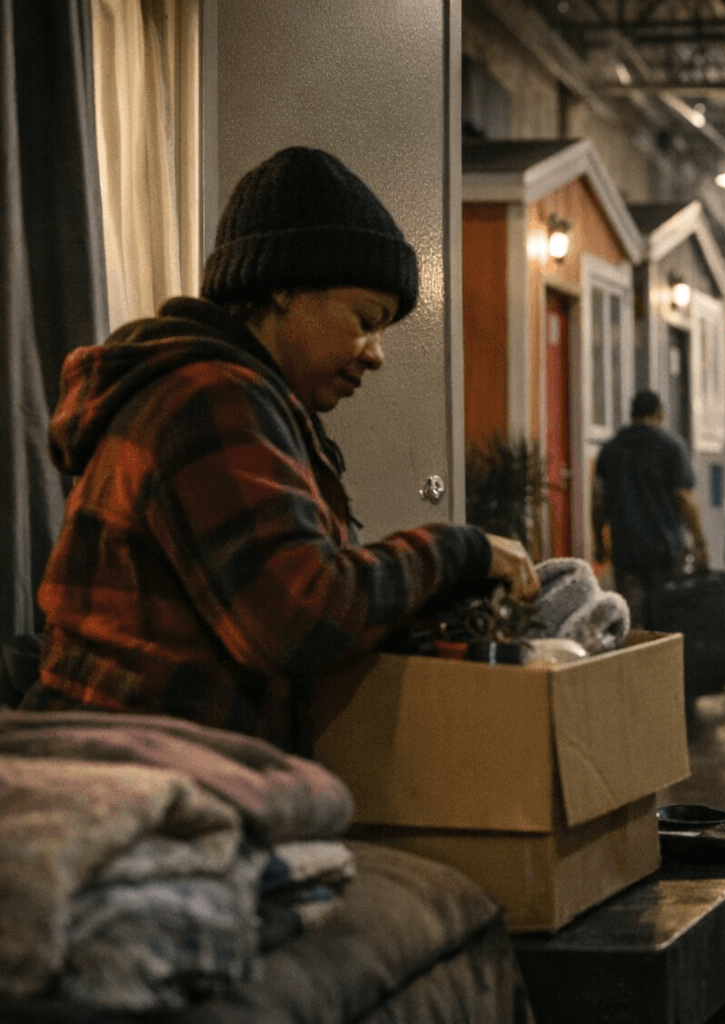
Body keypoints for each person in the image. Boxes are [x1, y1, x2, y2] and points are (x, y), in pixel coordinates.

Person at [22, 146, 539, 756]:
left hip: (149, 762)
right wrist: (460, 551)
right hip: (141, 780)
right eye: (366, 319)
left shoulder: (232, 395)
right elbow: (297, 619)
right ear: (286, 288)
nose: (377, 353)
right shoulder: (208, 399)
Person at [592, 390, 709, 625]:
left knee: (633, 625)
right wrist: (699, 541)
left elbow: (599, 502)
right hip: (666, 552)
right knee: (668, 621)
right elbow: (685, 499)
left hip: (626, 553)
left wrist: (598, 542)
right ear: (660, 414)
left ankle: (638, 661)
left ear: (632, 414)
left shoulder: (611, 449)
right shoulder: (671, 446)